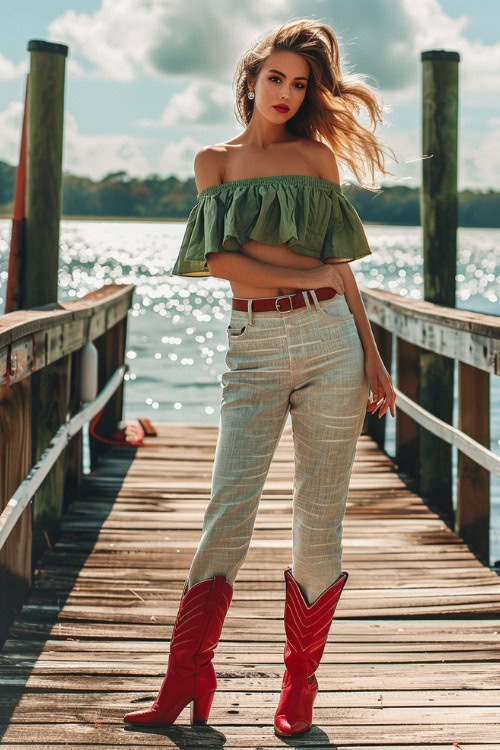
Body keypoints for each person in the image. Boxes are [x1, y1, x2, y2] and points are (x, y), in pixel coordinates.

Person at [124, 17, 396, 736]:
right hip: (253, 343)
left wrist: (373, 357)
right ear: (249, 81)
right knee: (227, 512)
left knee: (318, 521)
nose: (285, 91)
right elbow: (221, 263)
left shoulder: (317, 158)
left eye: (299, 83)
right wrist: (309, 273)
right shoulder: (213, 160)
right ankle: (186, 675)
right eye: (274, 78)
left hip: (333, 344)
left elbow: (345, 276)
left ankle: (299, 684)